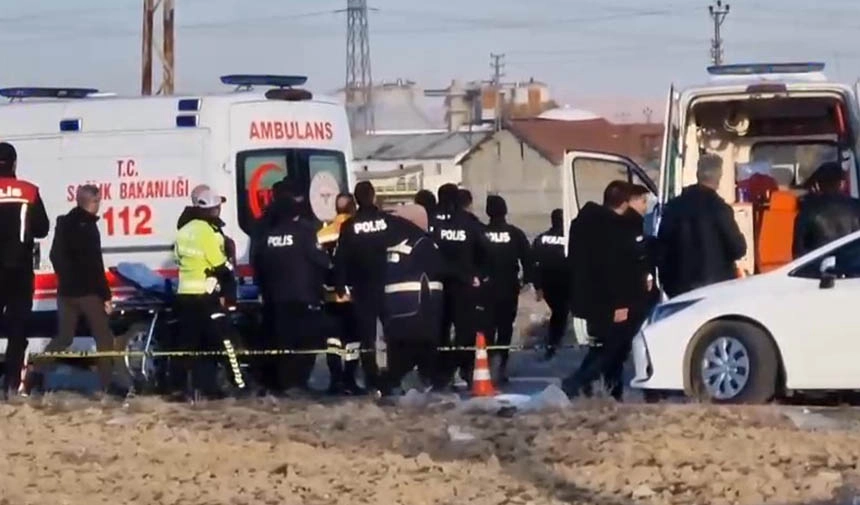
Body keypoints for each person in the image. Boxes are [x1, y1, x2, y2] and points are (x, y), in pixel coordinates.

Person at [563, 181, 649, 401]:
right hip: (610, 301)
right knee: (609, 350)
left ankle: (610, 392)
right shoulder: (610, 229)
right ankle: (575, 385)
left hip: (590, 298)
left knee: (609, 349)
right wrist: (618, 304)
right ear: (623, 202)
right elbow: (611, 270)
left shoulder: (586, 223)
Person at [253, 191, 330, 393]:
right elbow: (320, 261)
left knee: (280, 343)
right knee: (305, 344)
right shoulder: (304, 232)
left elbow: (258, 265)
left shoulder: (267, 236)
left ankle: (281, 384)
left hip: (274, 300)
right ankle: (296, 384)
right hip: (302, 298)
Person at [44, 185, 118, 394]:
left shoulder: (64, 223)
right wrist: (106, 297)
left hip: (65, 292)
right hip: (88, 293)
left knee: (64, 337)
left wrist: (66, 278)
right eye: (99, 201)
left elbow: (54, 256)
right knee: (104, 338)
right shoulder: (89, 228)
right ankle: (106, 385)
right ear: (93, 201)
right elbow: (95, 264)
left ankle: (36, 371)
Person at [173, 187, 242, 400]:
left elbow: (178, 259)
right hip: (206, 296)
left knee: (188, 344)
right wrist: (230, 269)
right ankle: (237, 385)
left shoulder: (183, 230)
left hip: (184, 295)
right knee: (223, 340)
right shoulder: (209, 232)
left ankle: (181, 389)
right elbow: (220, 264)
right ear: (213, 209)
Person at [378, 204, 446, 396]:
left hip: (393, 308)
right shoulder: (422, 242)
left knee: (398, 353)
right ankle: (423, 384)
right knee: (422, 353)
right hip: (418, 307)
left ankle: (393, 385)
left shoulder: (390, 243)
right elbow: (439, 268)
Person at [658, 154, 747, 298]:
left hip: (679, 287)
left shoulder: (674, 206)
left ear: (698, 174)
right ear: (719, 176)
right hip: (715, 287)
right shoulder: (719, 208)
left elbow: (662, 247)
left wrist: (667, 282)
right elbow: (738, 249)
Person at [0, 142, 50, 398]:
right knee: (18, 329)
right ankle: (10, 386)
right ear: (15, 164)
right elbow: (42, 228)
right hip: (19, 268)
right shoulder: (28, 191)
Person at [333, 181, 392, 391]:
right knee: (391, 334)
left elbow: (341, 258)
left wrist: (340, 286)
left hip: (362, 287)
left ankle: (371, 379)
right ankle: (391, 378)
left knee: (366, 337)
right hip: (389, 284)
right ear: (374, 196)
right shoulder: (387, 221)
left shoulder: (350, 226)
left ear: (356, 200)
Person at [434, 183, 488, 388]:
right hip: (464, 285)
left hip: (441, 284)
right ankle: (461, 369)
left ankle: (442, 372)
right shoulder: (471, 225)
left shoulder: (438, 226)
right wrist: (478, 275)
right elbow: (485, 252)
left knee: (442, 330)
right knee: (465, 332)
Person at [318, 193, 364, 395]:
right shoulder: (357, 230)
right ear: (354, 207)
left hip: (329, 295)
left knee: (333, 339)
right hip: (354, 293)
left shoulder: (323, 233)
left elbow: (319, 262)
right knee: (353, 339)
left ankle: (335, 380)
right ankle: (350, 379)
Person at [482, 195, 530, 383]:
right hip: (508, 288)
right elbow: (527, 258)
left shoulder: (481, 232)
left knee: (486, 328)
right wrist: (528, 281)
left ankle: (485, 364)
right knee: (504, 328)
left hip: (485, 289)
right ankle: (500, 365)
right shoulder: (515, 233)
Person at [793, 161, 860, 258]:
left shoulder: (808, 210)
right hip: (852, 267)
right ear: (842, 183)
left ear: (818, 185)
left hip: (818, 268)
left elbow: (798, 251)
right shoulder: (857, 206)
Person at [532, 209, 569, 360]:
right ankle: (554, 342)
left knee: (558, 313)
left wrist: (538, 286)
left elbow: (533, 263)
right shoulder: (570, 238)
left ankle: (554, 342)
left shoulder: (541, 238)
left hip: (548, 283)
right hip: (565, 282)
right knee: (561, 313)